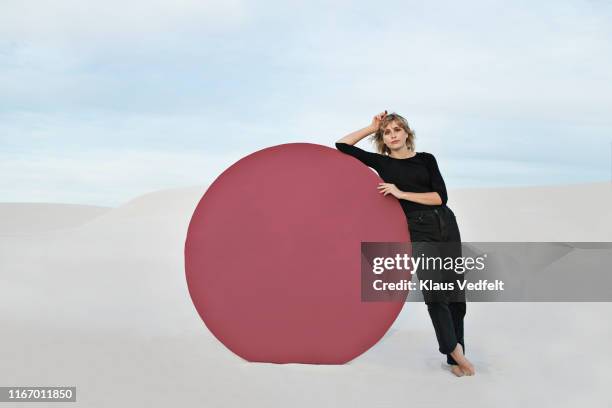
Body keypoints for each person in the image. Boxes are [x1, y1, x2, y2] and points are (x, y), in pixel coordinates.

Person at [335, 111, 475, 377]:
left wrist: (401, 193)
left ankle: (455, 359)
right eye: (387, 132)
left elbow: (440, 197)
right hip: (419, 230)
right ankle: (454, 349)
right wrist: (370, 127)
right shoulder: (383, 164)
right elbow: (341, 145)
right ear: (383, 139)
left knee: (456, 294)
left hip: (447, 225)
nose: (393, 135)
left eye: (397, 129)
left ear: (407, 133)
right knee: (436, 295)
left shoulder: (426, 160)